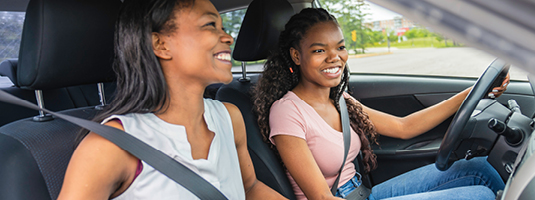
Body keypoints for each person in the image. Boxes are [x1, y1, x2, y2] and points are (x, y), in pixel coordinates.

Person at [253, 8, 507, 200]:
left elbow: (403, 127)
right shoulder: (287, 112)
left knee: (477, 168)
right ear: (297, 56)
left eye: (340, 47)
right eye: (319, 50)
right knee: (480, 196)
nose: (335, 57)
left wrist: (473, 92)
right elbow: (321, 197)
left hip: (363, 193)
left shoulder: (338, 97)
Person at [57, 0, 286, 199]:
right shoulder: (110, 145)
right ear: (161, 44)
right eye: (209, 25)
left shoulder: (229, 117)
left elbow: (250, 188)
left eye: (223, 27)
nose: (227, 37)